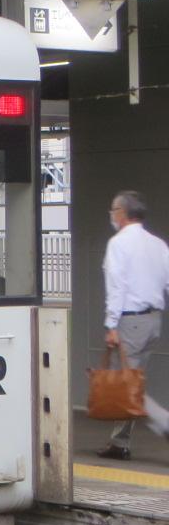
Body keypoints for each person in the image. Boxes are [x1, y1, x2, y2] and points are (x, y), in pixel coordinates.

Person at [99, 190, 169, 458]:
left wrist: (111, 325)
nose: (112, 216)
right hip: (153, 322)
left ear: (121, 214)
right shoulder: (159, 244)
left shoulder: (119, 244)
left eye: (113, 211)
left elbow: (117, 287)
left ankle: (164, 422)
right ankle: (119, 443)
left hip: (131, 322)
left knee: (125, 384)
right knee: (131, 381)